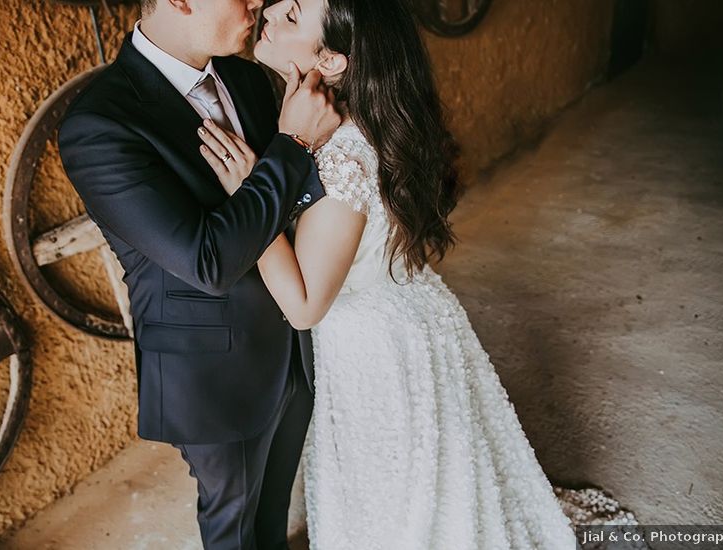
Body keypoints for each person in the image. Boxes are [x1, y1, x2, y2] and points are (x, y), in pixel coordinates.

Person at [195, 0, 579, 548]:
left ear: (329, 61)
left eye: (291, 15)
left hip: (371, 348)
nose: (271, 11)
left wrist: (248, 196)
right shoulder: (350, 120)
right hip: (405, 309)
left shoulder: (341, 158)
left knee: (391, 504)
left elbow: (304, 305)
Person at [57, 0, 342, 547]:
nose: (258, 1)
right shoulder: (100, 123)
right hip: (214, 367)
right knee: (233, 524)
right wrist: (293, 145)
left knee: (273, 508)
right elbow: (206, 262)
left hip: (293, 343)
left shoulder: (246, 77)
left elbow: (288, 207)